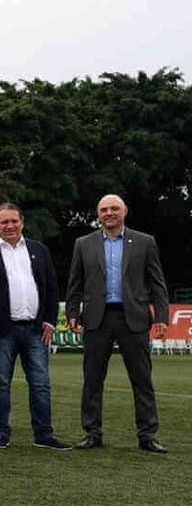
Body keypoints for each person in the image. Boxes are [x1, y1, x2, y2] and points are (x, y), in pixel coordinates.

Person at [67, 194, 169, 453]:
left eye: (114, 208)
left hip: (133, 317)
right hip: (96, 319)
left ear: (125, 210)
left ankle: (147, 435)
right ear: (98, 214)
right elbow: (75, 284)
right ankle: (92, 432)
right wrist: (72, 313)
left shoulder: (145, 242)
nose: (109, 213)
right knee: (92, 379)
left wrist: (161, 317)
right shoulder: (83, 243)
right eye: (104, 209)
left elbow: (157, 282)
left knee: (142, 379)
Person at [0, 204, 70, 451]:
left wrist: (49, 320)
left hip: (35, 328)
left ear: (22, 222)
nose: (10, 226)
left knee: (41, 384)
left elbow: (51, 287)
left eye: (14, 221)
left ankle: (44, 434)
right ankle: (1, 433)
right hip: (1, 331)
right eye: (4, 222)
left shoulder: (39, 250)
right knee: (0, 382)